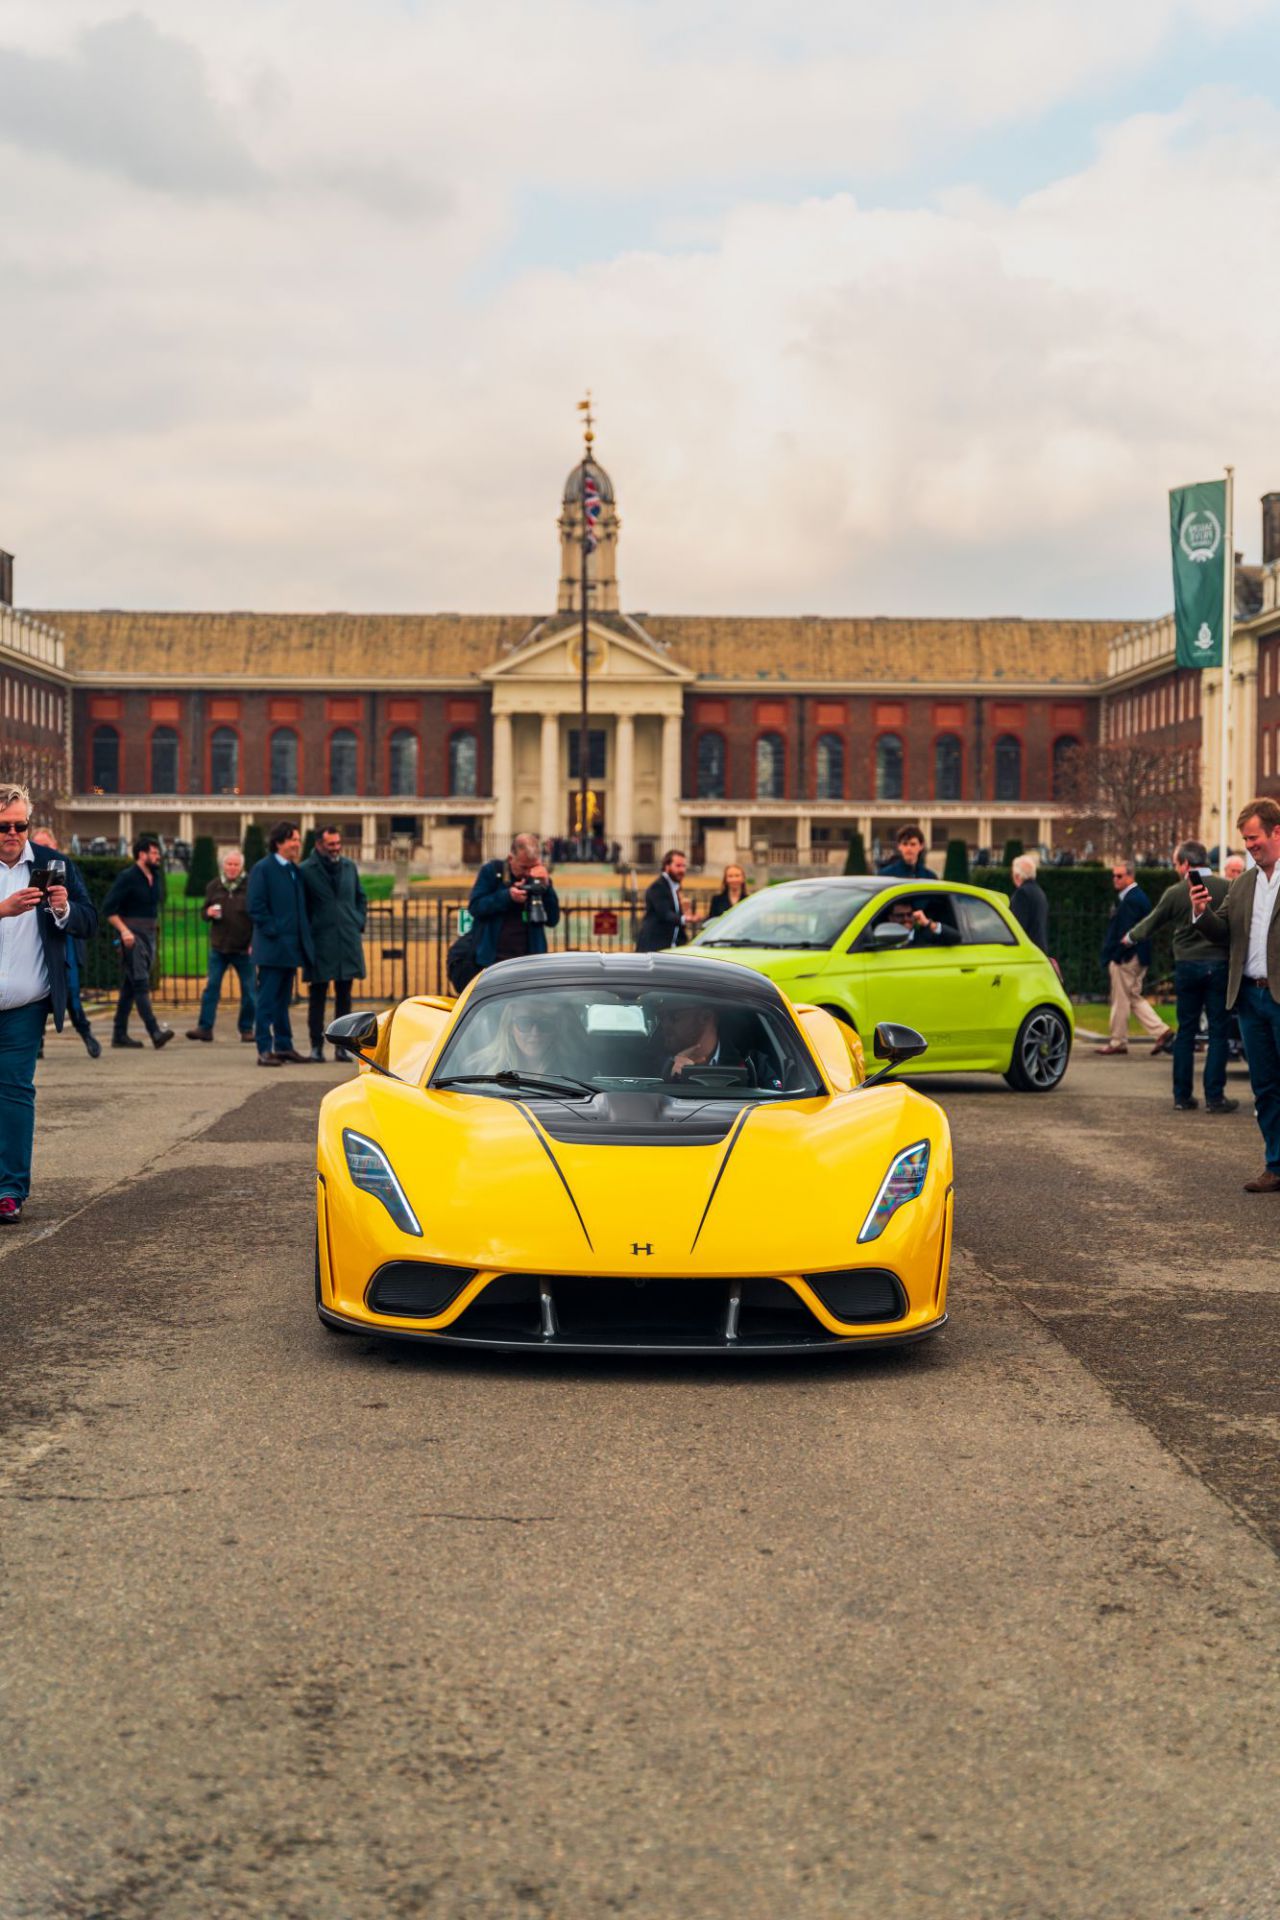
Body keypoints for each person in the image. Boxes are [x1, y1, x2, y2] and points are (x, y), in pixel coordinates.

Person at [0, 783, 96, 1224]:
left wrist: (62, 909)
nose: (13, 834)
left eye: (21, 825)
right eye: (4, 827)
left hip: (26, 1003)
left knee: (16, 1093)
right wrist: (3, 910)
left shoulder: (52, 864)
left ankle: (9, 1190)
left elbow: (88, 919)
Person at [1190, 797, 1280, 1191]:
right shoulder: (1243, 883)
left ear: (1277, 832)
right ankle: (1275, 1165)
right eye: (1245, 839)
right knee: (1264, 1086)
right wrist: (1201, 913)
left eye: (1254, 837)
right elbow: (1222, 929)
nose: (1249, 845)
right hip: (1249, 998)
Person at [1122, 839, 1235, 1114]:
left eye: (1176, 863)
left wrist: (1131, 936)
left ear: (1186, 863)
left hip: (1187, 966)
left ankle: (1182, 1096)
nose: (1175, 868)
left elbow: (1155, 919)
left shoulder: (1176, 891)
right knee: (1219, 1033)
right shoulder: (1226, 887)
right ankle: (1215, 1098)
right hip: (1219, 965)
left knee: (1186, 1031)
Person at [247, 821, 315, 1066]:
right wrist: (275, 931)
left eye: (297, 839)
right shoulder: (263, 869)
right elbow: (255, 906)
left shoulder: (293, 870)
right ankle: (264, 1049)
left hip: (289, 949)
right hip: (271, 948)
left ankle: (284, 1046)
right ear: (279, 842)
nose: (297, 844)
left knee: (283, 1001)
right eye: (293, 839)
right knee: (266, 1001)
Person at [300, 825, 367, 1061]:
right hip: (320, 940)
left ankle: (342, 1047)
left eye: (338, 843)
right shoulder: (306, 870)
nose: (336, 848)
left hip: (347, 938)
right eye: (331, 844)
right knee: (317, 996)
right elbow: (302, 907)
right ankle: (316, 1046)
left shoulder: (349, 866)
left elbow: (360, 896)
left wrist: (358, 920)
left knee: (344, 996)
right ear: (319, 845)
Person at [31, 827, 99, 1058]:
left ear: (55, 847)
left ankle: (85, 1033)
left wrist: (64, 907)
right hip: (38, 942)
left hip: (65, 939)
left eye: (47, 846)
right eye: (38, 845)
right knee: (36, 992)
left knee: (71, 991)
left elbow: (86, 911)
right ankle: (37, 1040)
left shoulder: (65, 867)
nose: (43, 850)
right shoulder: (28, 872)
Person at [102, 834, 173, 1050]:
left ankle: (119, 1034)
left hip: (149, 934)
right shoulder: (128, 877)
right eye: (154, 852)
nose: (158, 856)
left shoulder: (155, 876)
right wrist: (124, 932)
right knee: (141, 983)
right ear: (142, 855)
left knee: (129, 987)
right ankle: (155, 1032)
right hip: (132, 936)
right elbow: (108, 909)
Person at [1097, 858, 1171, 1058]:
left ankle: (1118, 1040)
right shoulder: (1134, 897)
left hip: (1128, 957)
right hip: (1134, 956)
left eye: (1119, 875)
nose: (1115, 879)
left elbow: (1128, 933)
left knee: (1121, 998)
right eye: (1114, 875)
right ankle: (1161, 1031)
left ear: (1130, 876)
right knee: (1132, 997)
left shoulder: (1131, 899)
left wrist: (1117, 956)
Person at [187, 849, 256, 1044]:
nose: (232, 868)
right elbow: (203, 913)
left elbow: (258, 916)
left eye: (236, 864)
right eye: (229, 864)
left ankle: (246, 1029)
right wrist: (208, 912)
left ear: (241, 867)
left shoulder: (251, 886)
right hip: (219, 947)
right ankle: (205, 1028)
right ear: (223, 866)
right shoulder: (214, 886)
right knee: (211, 988)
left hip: (245, 949)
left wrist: (254, 943)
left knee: (250, 992)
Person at [468, 833, 561, 971]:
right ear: (511, 858)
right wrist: (507, 897)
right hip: (494, 961)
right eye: (524, 867)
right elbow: (475, 907)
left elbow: (553, 920)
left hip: (531, 961)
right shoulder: (492, 871)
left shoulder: (539, 879)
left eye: (533, 867)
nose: (529, 873)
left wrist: (546, 887)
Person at [636, 849, 701, 952]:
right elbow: (665, 914)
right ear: (667, 866)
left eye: (684, 866)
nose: (682, 870)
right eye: (678, 866)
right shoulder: (658, 887)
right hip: (654, 947)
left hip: (670, 946)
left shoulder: (674, 886)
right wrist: (685, 919)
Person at [1009, 854, 1050, 954]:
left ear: (1017, 876)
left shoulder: (1022, 894)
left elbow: (1017, 928)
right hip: (1039, 950)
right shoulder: (1039, 892)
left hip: (1026, 953)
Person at [885, 898, 961, 947]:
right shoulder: (883, 936)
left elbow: (955, 938)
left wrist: (928, 923)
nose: (906, 919)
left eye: (909, 914)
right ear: (891, 918)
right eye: (900, 915)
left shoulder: (927, 936)